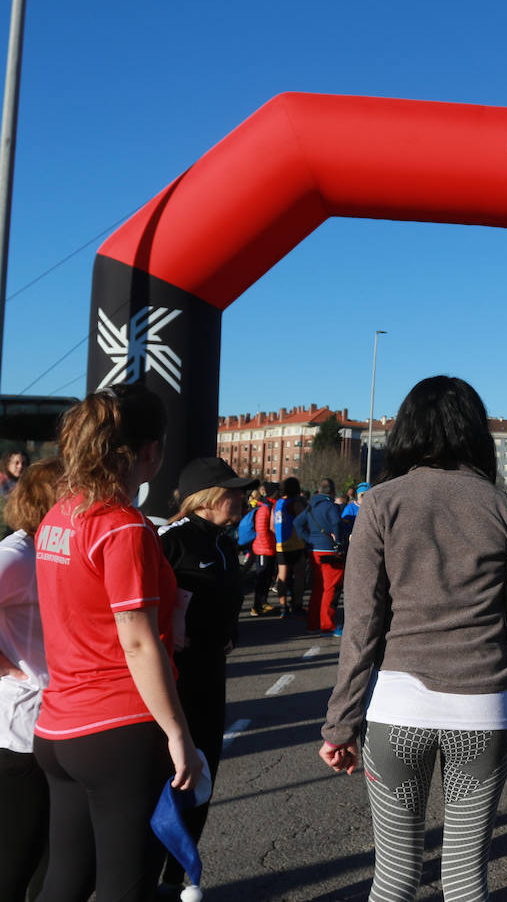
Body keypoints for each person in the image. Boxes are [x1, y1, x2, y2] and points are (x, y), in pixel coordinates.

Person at [320, 375, 507, 902]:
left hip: (399, 709)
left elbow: (362, 628)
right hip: (483, 712)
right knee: (467, 881)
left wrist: (341, 723)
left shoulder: (380, 505)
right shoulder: (506, 509)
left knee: (395, 877)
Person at [32, 385, 199, 901]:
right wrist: (178, 733)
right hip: (118, 727)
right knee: (125, 888)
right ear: (149, 451)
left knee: (66, 879)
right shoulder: (121, 527)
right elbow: (137, 642)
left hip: (59, 726)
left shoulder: (60, 516)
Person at [156, 456, 254, 891]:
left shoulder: (225, 541)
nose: (241, 497)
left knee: (204, 773)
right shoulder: (169, 540)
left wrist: (229, 631)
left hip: (212, 672)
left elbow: (225, 594)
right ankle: (148, 875)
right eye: (233, 491)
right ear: (207, 497)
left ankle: (180, 876)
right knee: (168, 777)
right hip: (172, 679)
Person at [0, 458, 61, 900]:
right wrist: (6, 667)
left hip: (58, 721)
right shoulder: (16, 554)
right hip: (20, 731)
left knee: (54, 852)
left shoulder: (50, 548)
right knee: (15, 858)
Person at [295, 478, 344, 635]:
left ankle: (313, 623)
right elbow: (336, 522)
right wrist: (338, 541)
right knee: (330, 588)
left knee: (318, 588)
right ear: (332, 491)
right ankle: (327, 624)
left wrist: (309, 539)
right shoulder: (331, 506)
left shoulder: (310, 507)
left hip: (314, 550)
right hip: (329, 550)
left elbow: (297, 523)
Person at [272, 476, 308, 616]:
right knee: (299, 576)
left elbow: (272, 526)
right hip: (296, 544)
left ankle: (283, 607)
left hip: (281, 545)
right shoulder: (296, 504)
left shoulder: (277, 504)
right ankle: (297, 605)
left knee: (282, 576)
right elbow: (305, 522)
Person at [249, 482, 278, 616]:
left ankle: (263, 602)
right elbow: (261, 529)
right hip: (263, 549)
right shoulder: (265, 508)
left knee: (267, 578)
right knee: (261, 578)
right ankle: (256, 606)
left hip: (269, 548)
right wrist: (268, 546)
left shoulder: (272, 506)